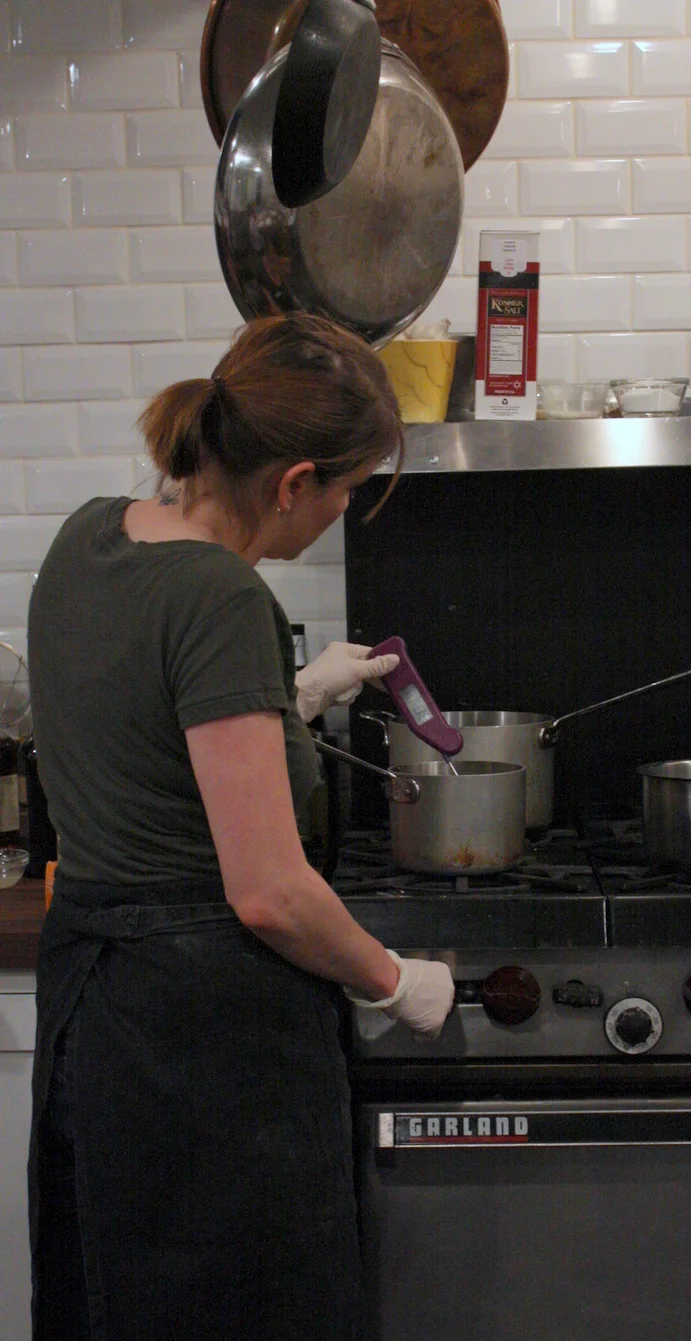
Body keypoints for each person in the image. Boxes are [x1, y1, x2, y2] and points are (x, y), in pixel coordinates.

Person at [26, 311, 455, 1341]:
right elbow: (266, 891)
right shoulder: (219, 596)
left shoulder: (87, 536)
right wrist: (396, 981)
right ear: (293, 481)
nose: (342, 511)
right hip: (201, 1049)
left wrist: (291, 697)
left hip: (96, 1019)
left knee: (112, 1300)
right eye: (347, 490)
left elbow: (142, 724)